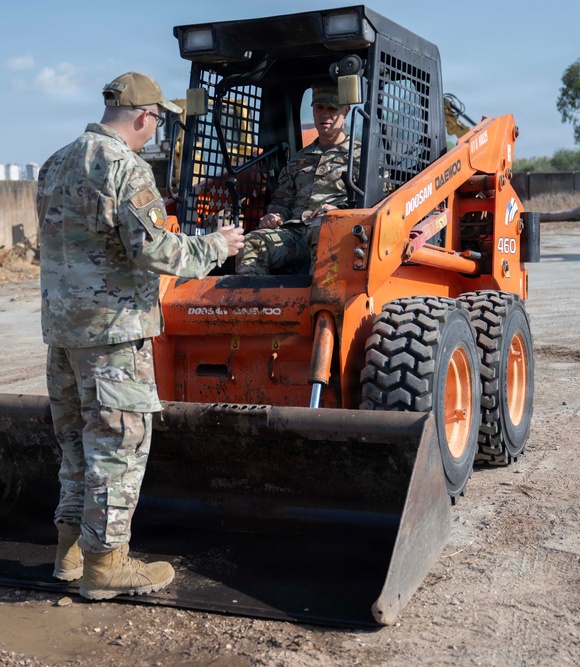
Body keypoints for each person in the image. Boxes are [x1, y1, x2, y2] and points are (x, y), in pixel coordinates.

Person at [38, 71, 245, 601]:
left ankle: (70, 553)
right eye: (156, 122)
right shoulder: (126, 170)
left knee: (77, 447)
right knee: (118, 448)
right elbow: (159, 252)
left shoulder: (54, 163)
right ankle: (106, 567)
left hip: (64, 337)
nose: (154, 132)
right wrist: (218, 245)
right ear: (144, 117)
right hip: (113, 336)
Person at [235, 85, 361, 275]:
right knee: (252, 243)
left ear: (346, 111)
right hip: (295, 233)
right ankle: (252, 302)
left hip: (338, 235)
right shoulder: (298, 159)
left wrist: (339, 213)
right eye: (319, 108)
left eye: (332, 109)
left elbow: (376, 205)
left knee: (323, 233)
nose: (324, 115)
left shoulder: (360, 157)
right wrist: (275, 216)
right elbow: (281, 202)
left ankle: (320, 303)